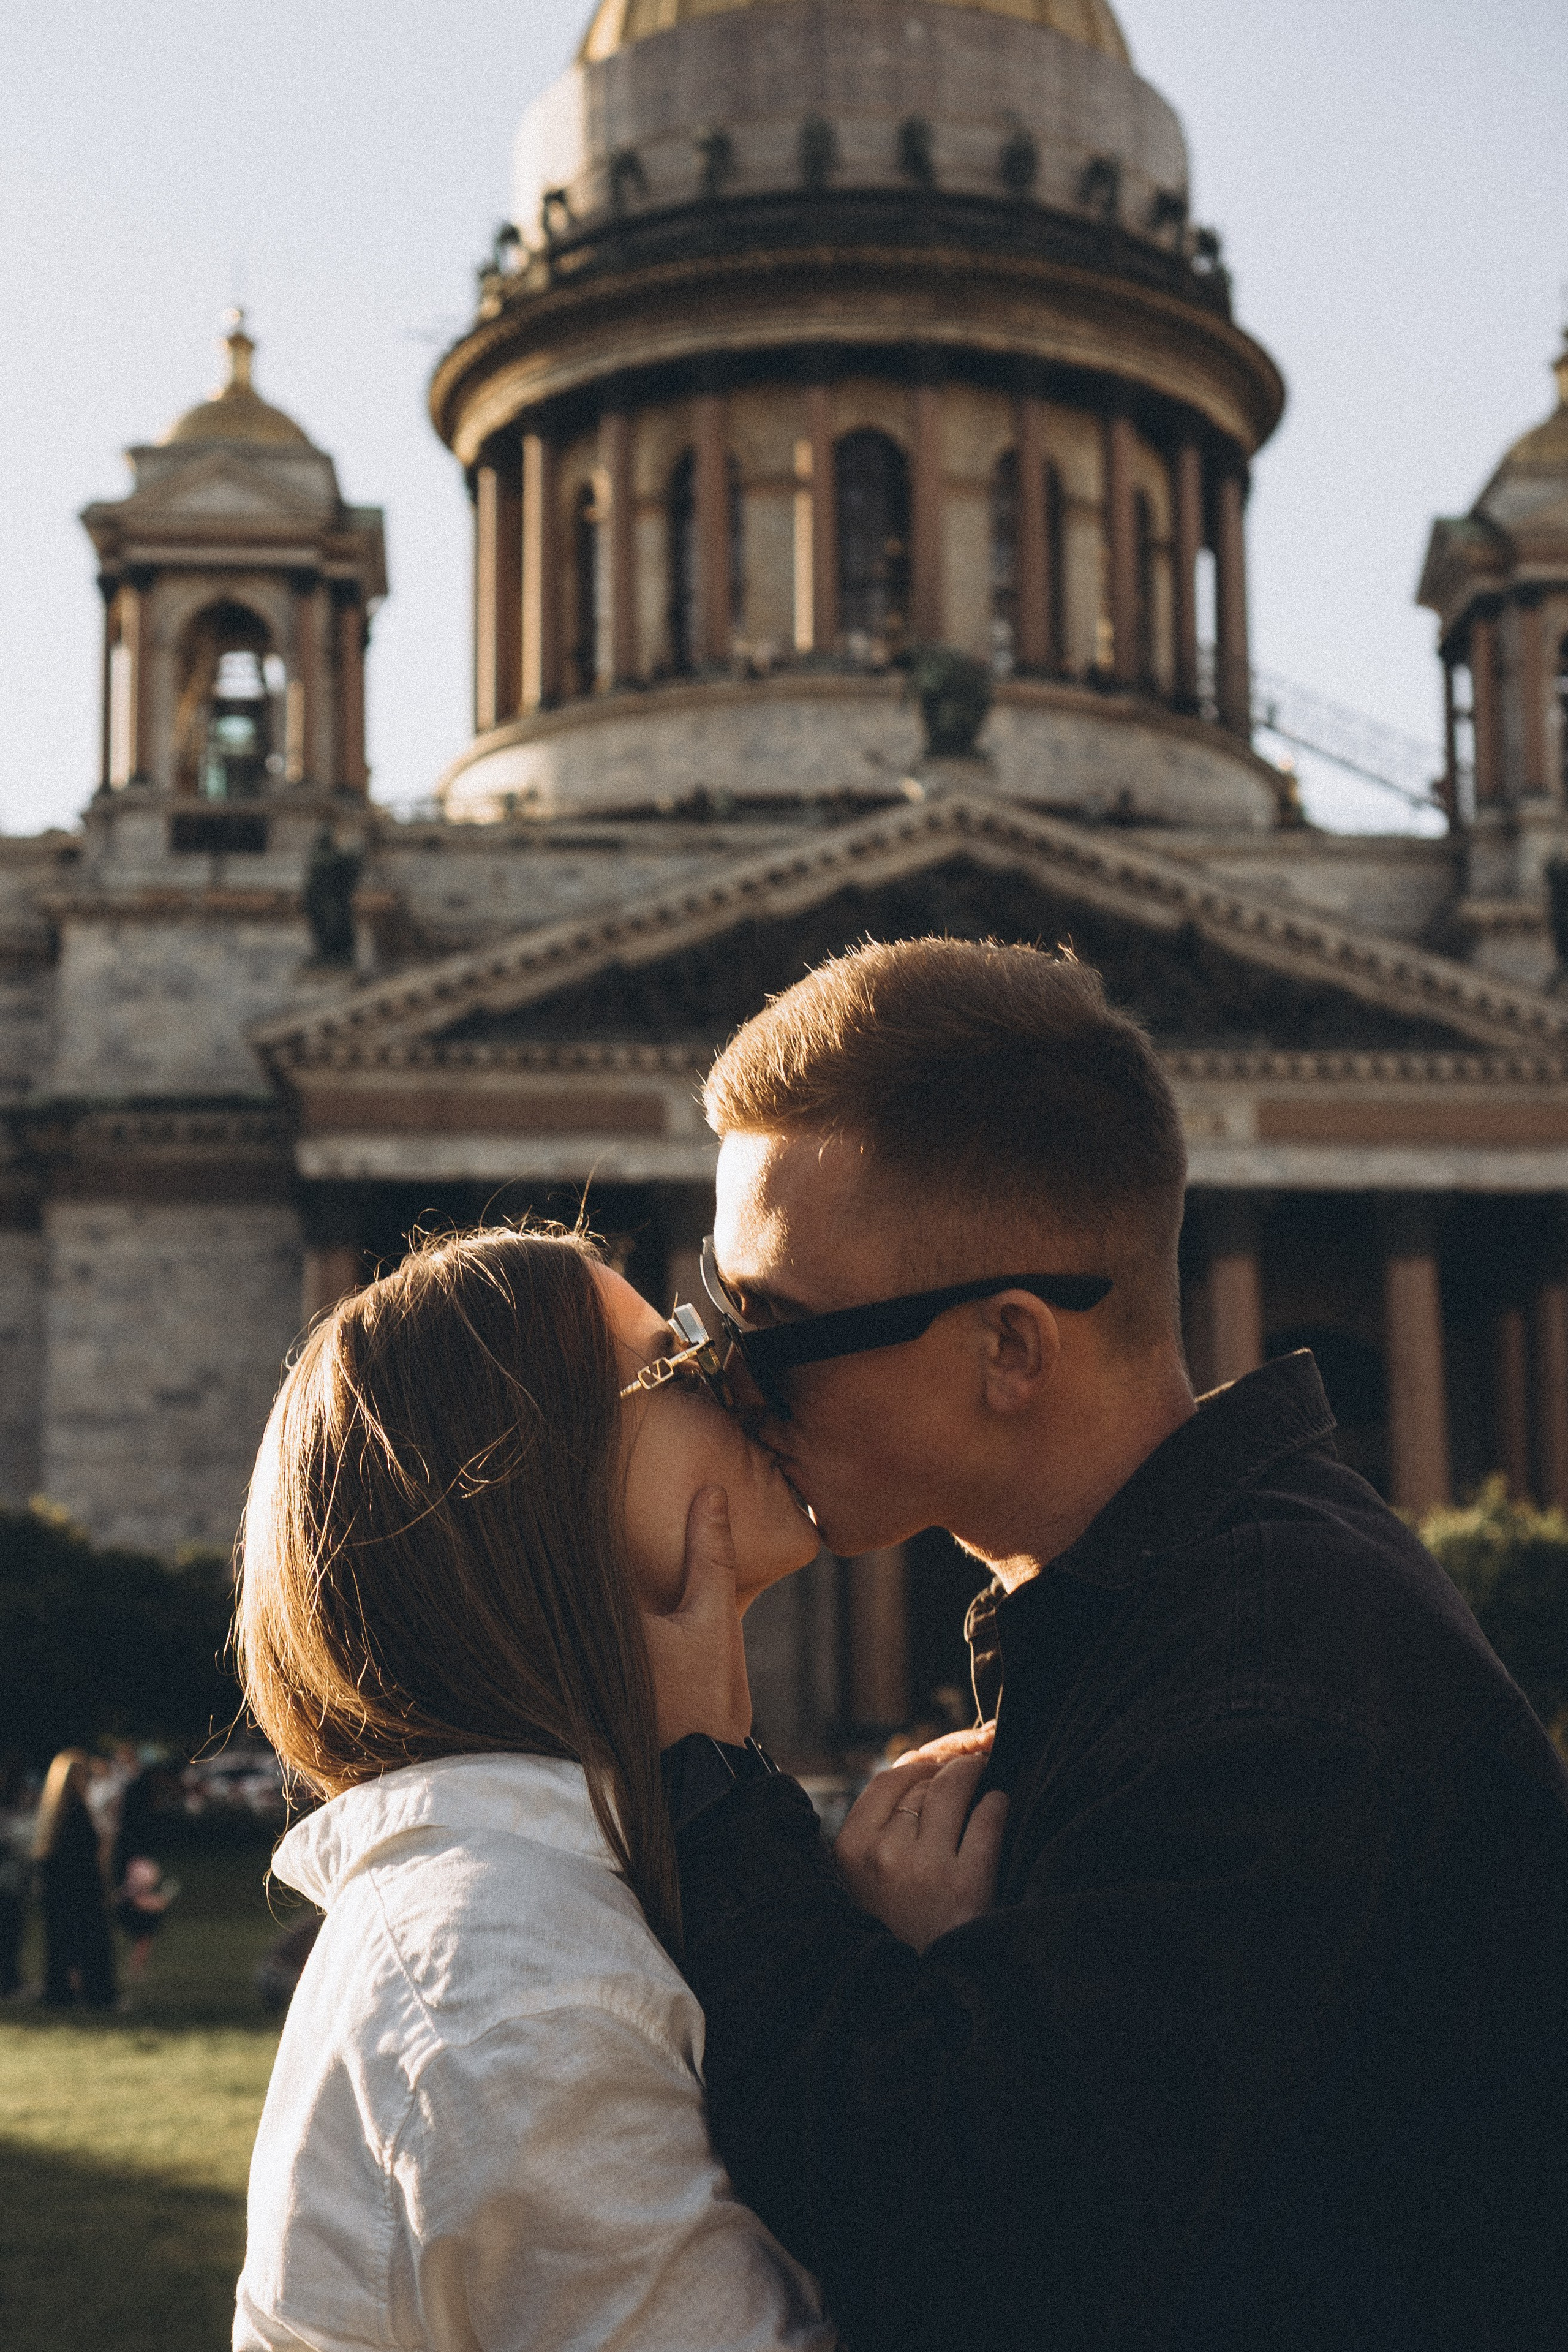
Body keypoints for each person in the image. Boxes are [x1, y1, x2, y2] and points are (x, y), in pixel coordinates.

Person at [646, 937, 1568, 2352]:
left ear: (1011, 1347)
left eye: (769, 1328)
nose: (728, 1380)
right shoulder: (1195, 1624)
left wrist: (711, 1782)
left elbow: (983, 2262)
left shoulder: (1260, 1708)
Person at [232, 1224, 835, 2352]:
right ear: (533, 1489)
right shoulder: (526, 1987)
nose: (745, 1381)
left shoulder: (530, 1917)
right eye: (684, 1357)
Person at [33, 1749, 116, 2008]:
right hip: (83, 1890)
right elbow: (89, 1854)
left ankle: (60, 1993)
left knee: (61, 1945)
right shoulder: (78, 1812)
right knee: (94, 1944)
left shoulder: (53, 1816)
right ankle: (98, 1996)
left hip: (60, 1891)